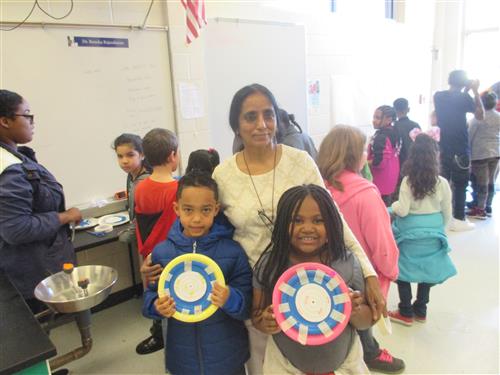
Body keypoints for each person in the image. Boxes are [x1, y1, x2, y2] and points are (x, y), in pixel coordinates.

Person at [212, 83, 385, 374]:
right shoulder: (223, 174)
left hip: (313, 285)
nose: (262, 125)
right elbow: (214, 233)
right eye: (250, 117)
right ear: (236, 125)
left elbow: (334, 220)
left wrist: (367, 272)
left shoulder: (300, 161)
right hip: (261, 293)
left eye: (268, 115)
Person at [252, 184, 373, 375]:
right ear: (283, 224)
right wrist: (265, 321)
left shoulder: (345, 261)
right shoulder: (271, 264)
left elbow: (367, 320)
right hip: (285, 366)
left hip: (343, 365)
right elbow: (256, 314)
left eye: (318, 220)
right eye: (297, 220)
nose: (307, 228)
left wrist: (355, 311)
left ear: (332, 223)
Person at [142, 171, 252, 375]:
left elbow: (247, 306)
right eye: (188, 210)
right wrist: (156, 306)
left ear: (216, 209)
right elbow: (149, 298)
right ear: (177, 209)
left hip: (227, 359)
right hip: (183, 360)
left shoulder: (233, 252)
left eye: (206, 210)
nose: (196, 219)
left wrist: (230, 297)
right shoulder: (162, 253)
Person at [317, 125, 404, 374]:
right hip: (360, 278)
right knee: (360, 320)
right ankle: (372, 354)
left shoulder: (316, 188)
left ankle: (367, 352)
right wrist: (390, 271)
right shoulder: (365, 193)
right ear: (353, 155)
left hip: (322, 276)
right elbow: (381, 243)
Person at [0, 89, 82, 313]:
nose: (32, 121)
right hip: (30, 270)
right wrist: (65, 216)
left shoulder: (18, 158)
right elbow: (15, 229)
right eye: (26, 115)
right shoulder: (10, 171)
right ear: (5, 121)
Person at [388, 133, 457, 326]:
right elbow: (447, 211)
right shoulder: (442, 182)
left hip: (409, 236)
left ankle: (405, 311)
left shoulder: (408, 181)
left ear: (413, 155)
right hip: (433, 234)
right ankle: (421, 309)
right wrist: (440, 230)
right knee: (427, 271)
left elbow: (402, 210)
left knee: (402, 271)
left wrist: (391, 207)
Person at [134, 128, 179, 355]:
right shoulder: (177, 190)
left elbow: (141, 225)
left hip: (149, 256)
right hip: (171, 257)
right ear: (173, 155)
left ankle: (160, 336)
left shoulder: (140, 187)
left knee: (158, 299)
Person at [433, 69, 484, 231]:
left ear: (449, 80)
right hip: (460, 148)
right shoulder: (465, 98)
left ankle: (441, 218)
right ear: (464, 83)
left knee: (442, 183)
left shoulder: (439, 96)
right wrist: (475, 91)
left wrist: (466, 90)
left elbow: (454, 100)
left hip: (443, 147)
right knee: (461, 184)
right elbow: (480, 115)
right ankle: (459, 219)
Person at [467, 91, 500, 219]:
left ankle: (480, 208)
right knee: (491, 181)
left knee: (481, 182)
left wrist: (467, 154)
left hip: (480, 153)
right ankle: (488, 206)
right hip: (496, 153)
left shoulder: (478, 118)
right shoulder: (498, 117)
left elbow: (469, 136)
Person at [367, 105, 401, 206]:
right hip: (392, 175)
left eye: (377, 118)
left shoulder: (381, 137)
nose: (374, 120)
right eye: (374, 117)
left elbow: (380, 162)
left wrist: (365, 163)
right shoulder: (395, 131)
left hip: (381, 179)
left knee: (380, 207)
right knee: (386, 205)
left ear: (389, 119)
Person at [392, 98, 421, 201]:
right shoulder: (415, 125)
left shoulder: (394, 126)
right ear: (408, 109)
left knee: (399, 192)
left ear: (394, 110)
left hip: (399, 164)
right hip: (415, 162)